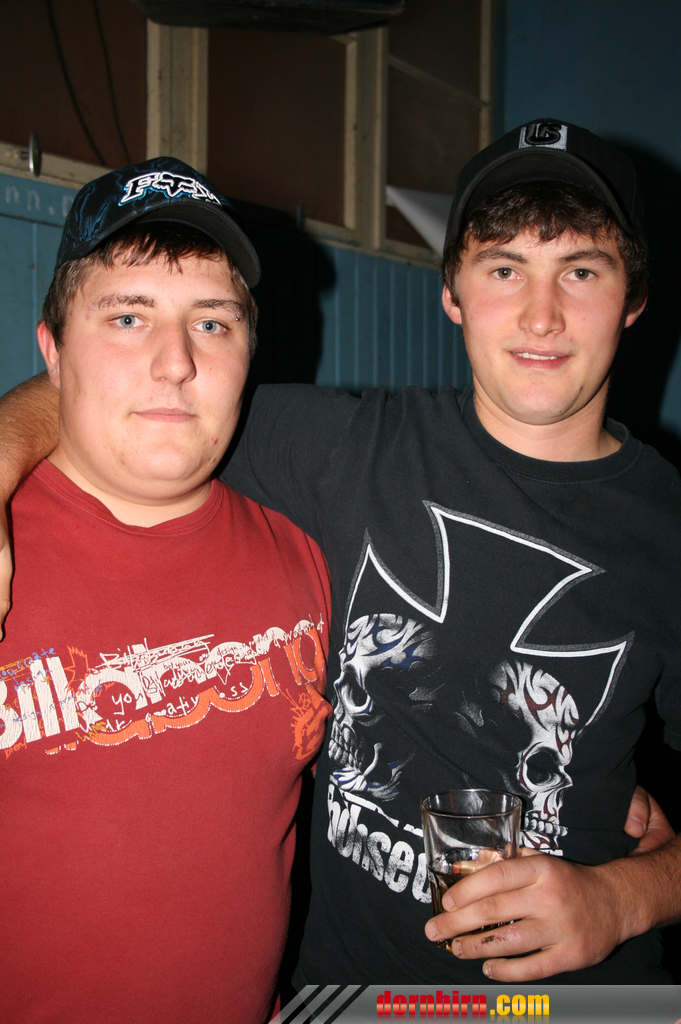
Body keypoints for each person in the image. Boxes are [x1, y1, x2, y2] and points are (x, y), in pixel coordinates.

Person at [0, 122, 677, 988]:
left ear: (633, 298)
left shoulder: (667, 529)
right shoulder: (337, 450)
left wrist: (628, 896)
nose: (540, 314)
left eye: (580, 271)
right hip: (346, 999)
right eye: (504, 268)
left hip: (568, 1009)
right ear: (451, 292)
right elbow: (127, 396)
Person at [0, 157, 332, 1023]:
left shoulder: (310, 556)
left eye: (212, 323)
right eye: (127, 317)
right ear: (53, 351)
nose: (175, 363)